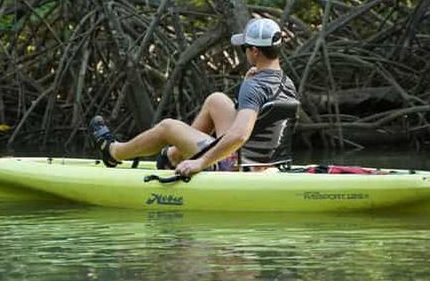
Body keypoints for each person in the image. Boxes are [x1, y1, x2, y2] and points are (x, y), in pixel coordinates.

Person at [89, 17, 298, 178]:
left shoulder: (254, 85)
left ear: (254, 51)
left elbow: (240, 136)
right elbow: (265, 125)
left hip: (238, 169)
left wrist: (201, 162)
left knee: (167, 127)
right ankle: (174, 156)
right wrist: (248, 84)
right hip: (265, 163)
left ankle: (114, 152)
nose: (244, 52)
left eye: (244, 48)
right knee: (217, 100)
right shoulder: (286, 83)